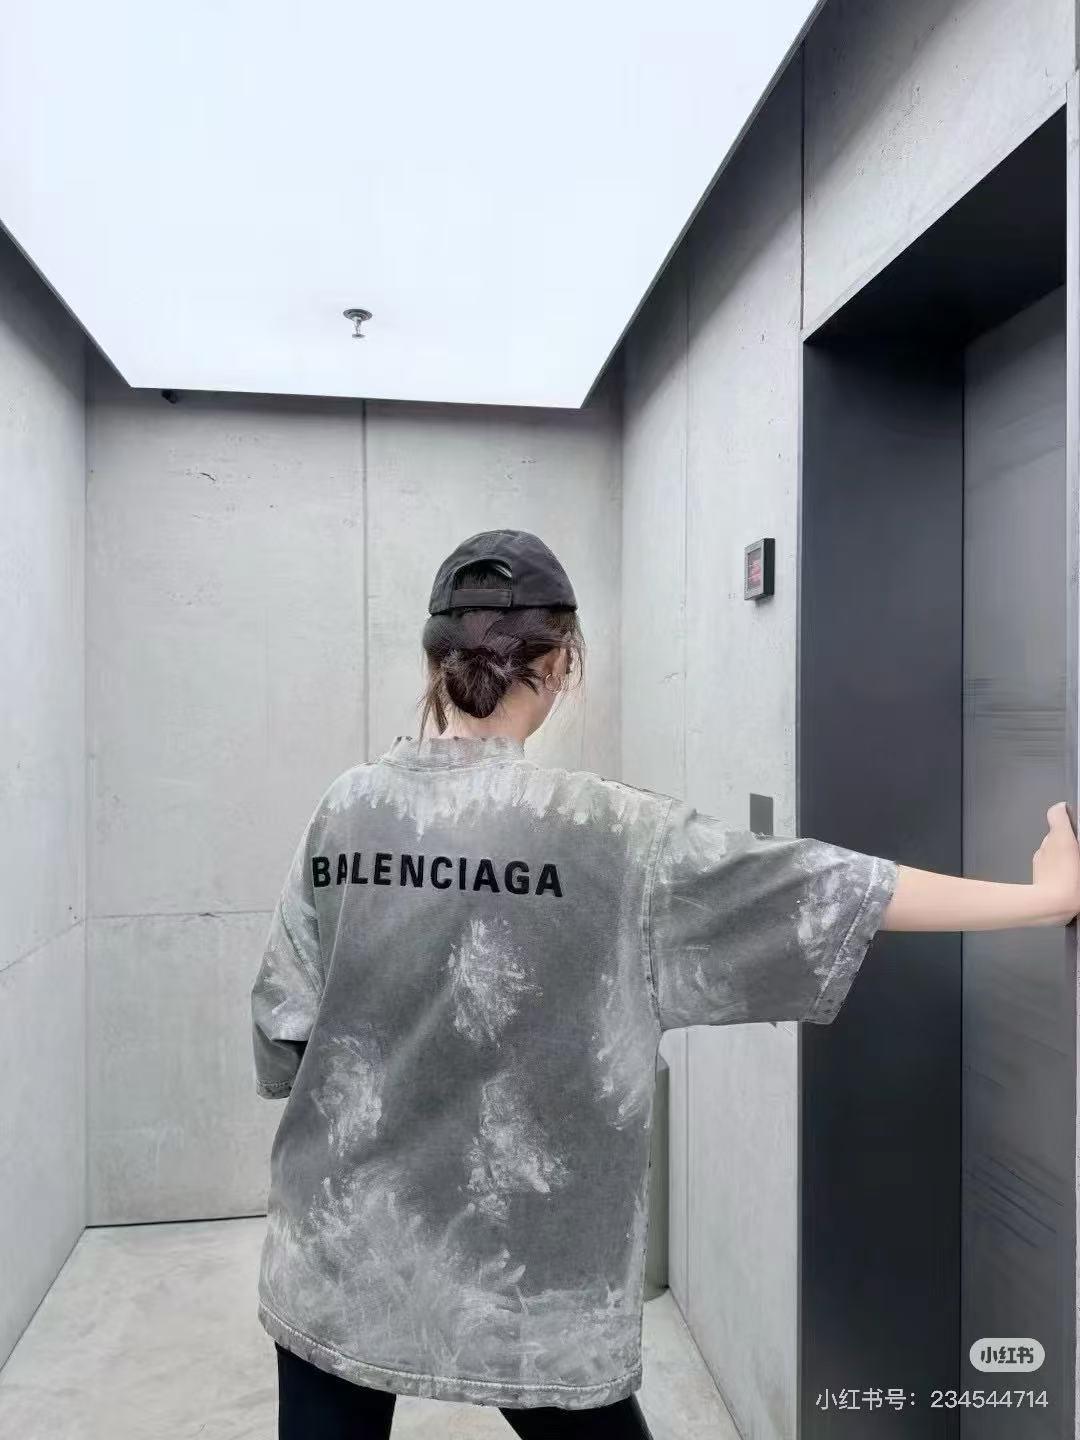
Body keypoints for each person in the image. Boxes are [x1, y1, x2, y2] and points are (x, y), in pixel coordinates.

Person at [251, 529, 1080, 1440]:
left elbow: (283, 1028)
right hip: (535, 1291)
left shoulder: (347, 808)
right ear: (562, 664)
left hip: (336, 1252)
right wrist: (1042, 899)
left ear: (433, 661)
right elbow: (821, 888)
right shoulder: (613, 837)